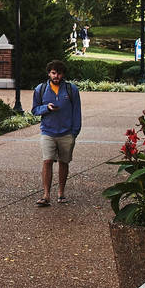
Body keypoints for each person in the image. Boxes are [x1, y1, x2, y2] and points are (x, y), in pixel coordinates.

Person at [31, 59, 82, 207]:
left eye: (59, 73)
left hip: (67, 133)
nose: (56, 76)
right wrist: (46, 108)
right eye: (53, 73)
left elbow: (77, 112)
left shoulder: (71, 90)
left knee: (63, 163)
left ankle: (61, 192)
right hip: (48, 132)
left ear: (63, 74)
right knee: (47, 161)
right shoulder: (40, 89)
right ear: (49, 74)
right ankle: (46, 195)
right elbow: (35, 110)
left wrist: (74, 133)